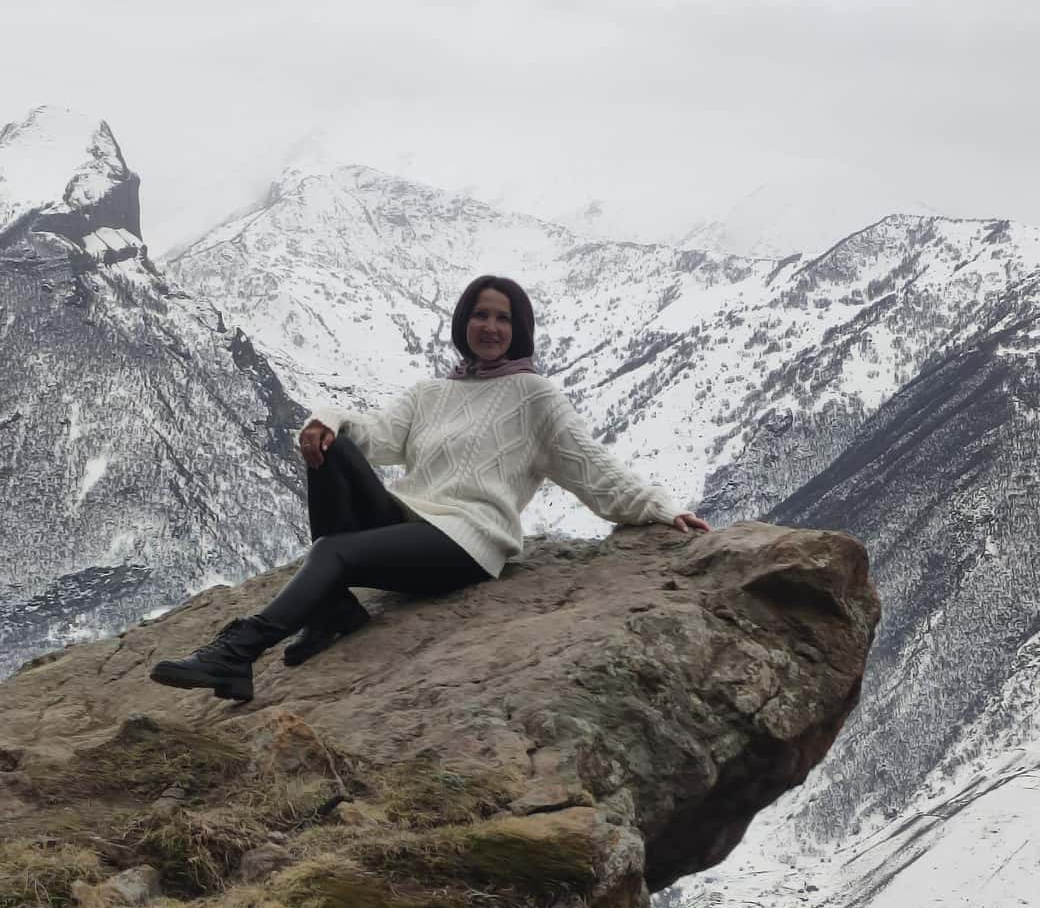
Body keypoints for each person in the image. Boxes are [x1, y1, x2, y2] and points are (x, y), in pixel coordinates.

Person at [150, 275, 710, 703]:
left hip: (466, 542)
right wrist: (324, 420)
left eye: (504, 319)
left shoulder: (535, 397)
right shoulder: (430, 393)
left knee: (332, 550)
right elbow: (370, 438)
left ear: (520, 331)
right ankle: (332, 611)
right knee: (331, 447)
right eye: (480, 315)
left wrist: (662, 510)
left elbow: (594, 469)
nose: (490, 328)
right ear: (463, 322)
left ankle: (240, 649)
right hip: (410, 521)